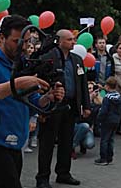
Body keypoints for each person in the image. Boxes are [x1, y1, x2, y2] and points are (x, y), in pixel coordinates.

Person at [0, 15, 64, 188]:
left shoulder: (23, 64)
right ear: (2, 38)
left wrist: (48, 97)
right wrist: (17, 84)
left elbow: (32, 103)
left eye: (25, 41)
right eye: (17, 41)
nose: (22, 47)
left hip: (16, 142)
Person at [36, 30, 91, 188]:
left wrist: (85, 105)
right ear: (60, 41)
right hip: (53, 105)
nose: (73, 42)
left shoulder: (77, 60)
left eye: (74, 39)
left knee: (67, 142)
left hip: (71, 105)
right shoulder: (48, 58)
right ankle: (42, 178)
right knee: (47, 143)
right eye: (69, 39)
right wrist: (41, 108)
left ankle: (63, 173)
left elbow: (83, 85)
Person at [95, 77, 121, 165]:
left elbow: (104, 111)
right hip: (116, 120)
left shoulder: (107, 98)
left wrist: (99, 119)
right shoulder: (119, 97)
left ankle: (103, 158)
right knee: (111, 139)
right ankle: (110, 157)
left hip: (107, 120)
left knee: (104, 139)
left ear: (107, 87)